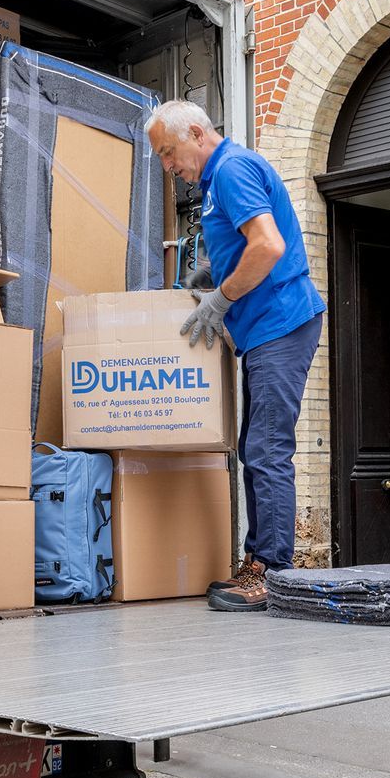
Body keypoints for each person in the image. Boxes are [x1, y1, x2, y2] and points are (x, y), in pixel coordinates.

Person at [147, 100, 326, 612]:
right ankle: (262, 562)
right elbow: (244, 242)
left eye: (168, 152)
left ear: (197, 132)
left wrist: (222, 297)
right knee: (257, 447)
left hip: (280, 321)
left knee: (267, 449)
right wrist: (212, 275)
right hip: (266, 328)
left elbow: (267, 245)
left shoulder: (231, 169)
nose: (167, 166)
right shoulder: (217, 181)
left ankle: (271, 573)